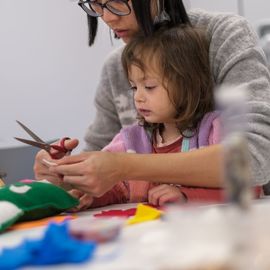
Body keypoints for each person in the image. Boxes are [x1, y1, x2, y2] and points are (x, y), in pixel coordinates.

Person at [34, 0, 270, 202]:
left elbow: (256, 157)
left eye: (117, 1)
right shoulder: (116, 67)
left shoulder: (223, 35)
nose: (106, 17)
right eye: (96, 3)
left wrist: (124, 166)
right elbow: (100, 162)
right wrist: (63, 175)